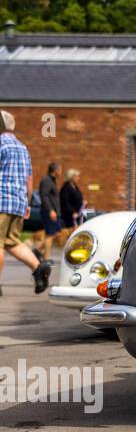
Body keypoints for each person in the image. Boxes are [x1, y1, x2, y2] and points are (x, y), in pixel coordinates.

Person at [0, 110, 54, 295]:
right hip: (17, 203)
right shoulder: (23, 147)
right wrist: (27, 204)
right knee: (11, 241)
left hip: (1, 201)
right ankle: (39, 266)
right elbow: (29, 179)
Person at [36, 161, 60, 258]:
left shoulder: (52, 180)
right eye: (60, 170)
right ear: (55, 170)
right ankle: (46, 258)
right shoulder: (47, 180)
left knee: (52, 235)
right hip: (49, 212)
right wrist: (51, 210)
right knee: (49, 235)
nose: (61, 172)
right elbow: (44, 196)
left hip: (53, 212)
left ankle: (38, 251)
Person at [60, 168, 85, 232]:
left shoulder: (75, 186)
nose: (78, 178)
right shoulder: (66, 188)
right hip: (69, 216)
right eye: (76, 177)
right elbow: (65, 202)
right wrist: (72, 212)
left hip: (77, 214)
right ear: (71, 177)